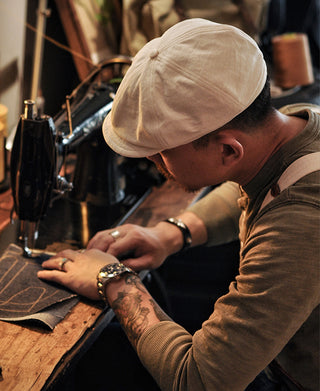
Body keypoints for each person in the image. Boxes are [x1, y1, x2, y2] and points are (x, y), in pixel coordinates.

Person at [37, 19, 320, 391]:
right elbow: (258, 184)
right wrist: (170, 234)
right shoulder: (297, 125)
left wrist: (114, 281)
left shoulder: (299, 225)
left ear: (227, 149)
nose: (155, 165)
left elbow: (198, 380)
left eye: (161, 155)